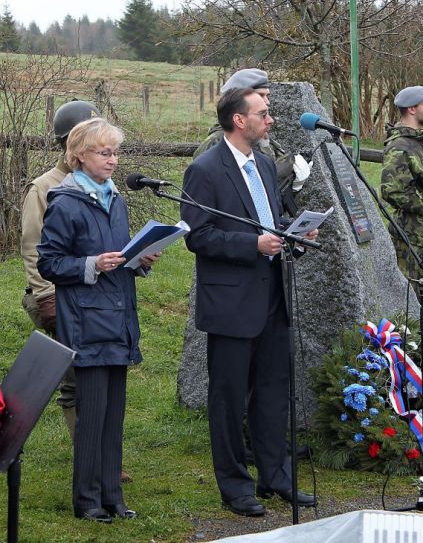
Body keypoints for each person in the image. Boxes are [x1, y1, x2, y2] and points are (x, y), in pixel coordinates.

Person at [180, 89, 316, 517]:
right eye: (263, 113)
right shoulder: (204, 170)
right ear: (239, 120)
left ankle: (275, 475)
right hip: (231, 303)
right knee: (229, 396)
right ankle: (235, 485)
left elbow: (269, 220)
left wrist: (294, 235)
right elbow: (196, 235)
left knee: (274, 392)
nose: (270, 119)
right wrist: (252, 243)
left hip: (273, 295)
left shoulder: (261, 163)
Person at [37, 118, 159, 523]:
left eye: (115, 152)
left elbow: (119, 255)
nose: (112, 160)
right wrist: (92, 263)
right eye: (104, 152)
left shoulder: (116, 199)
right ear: (79, 156)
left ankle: (113, 495)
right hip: (86, 321)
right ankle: (87, 500)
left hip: (119, 316)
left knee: (114, 413)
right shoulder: (64, 201)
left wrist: (139, 260)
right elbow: (49, 262)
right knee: (91, 415)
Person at [21, 99, 100, 440]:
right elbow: (32, 247)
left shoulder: (99, 182)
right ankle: (86, 449)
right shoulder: (44, 188)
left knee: (98, 374)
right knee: (74, 379)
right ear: (74, 144)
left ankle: (101, 447)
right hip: (59, 296)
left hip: (94, 293)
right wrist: (47, 298)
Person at [194, 68, 311, 217]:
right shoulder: (215, 143)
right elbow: (219, 202)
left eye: (267, 96)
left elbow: (269, 198)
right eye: (261, 95)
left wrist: (293, 183)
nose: (267, 102)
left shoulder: (262, 139)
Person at [381, 86, 423, 299]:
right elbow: (394, 191)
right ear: (411, 109)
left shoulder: (420, 142)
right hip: (412, 239)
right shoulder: (400, 145)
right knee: (412, 300)